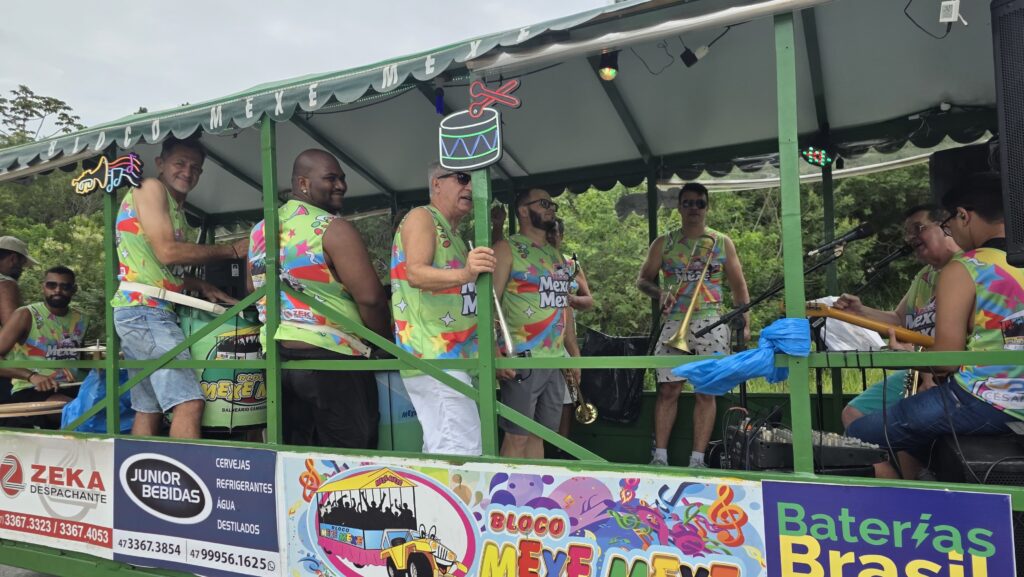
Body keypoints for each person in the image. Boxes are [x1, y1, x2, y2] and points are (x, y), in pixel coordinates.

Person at [847, 173, 1024, 480]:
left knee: (860, 432)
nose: (951, 230)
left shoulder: (966, 267)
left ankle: (914, 506)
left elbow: (946, 359)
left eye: (949, 224)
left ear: (964, 216)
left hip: (984, 401)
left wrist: (907, 356)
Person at [248, 149, 389, 448]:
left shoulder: (260, 231)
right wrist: (384, 345)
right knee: (350, 456)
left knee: (295, 458)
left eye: (342, 178)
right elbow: (371, 298)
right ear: (303, 183)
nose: (341, 185)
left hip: (278, 358)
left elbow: (253, 290)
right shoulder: (332, 229)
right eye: (331, 178)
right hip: (332, 360)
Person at [112, 135, 246, 439]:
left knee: (149, 407)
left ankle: (140, 480)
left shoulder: (176, 208)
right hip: (146, 311)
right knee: (189, 403)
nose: (188, 171)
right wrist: (233, 251)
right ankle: (189, 484)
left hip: (141, 309)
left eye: (196, 168)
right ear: (160, 163)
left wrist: (200, 284)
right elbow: (168, 252)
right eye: (180, 163)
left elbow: (156, 266)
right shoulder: (151, 188)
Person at [637, 182, 750, 468]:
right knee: (668, 389)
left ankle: (697, 460)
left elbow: (739, 287)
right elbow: (643, 280)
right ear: (679, 207)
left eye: (700, 203)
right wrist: (660, 293)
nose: (694, 209)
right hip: (675, 320)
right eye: (688, 203)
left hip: (712, 319)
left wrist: (744, 324)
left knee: (706, 391)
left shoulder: (722, 242)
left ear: (707, 207)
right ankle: (659, 457)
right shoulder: (664, 242)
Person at [391, 163, 501, 456]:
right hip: (434, 357)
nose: (470, 187)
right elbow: (415, 273)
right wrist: (466, 274)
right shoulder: (422, 217)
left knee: (446, 451)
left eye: (474, 181)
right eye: (463, 178)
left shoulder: (454, 233)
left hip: (452, 359)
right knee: (460, 455)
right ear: (436, 184)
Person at [835, 205, 961, 428]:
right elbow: (899, 321)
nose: (910, 237)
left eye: (918, 228)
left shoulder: (969, 268)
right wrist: (859, 311)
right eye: (907, 232)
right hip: (918, 369)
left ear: (946, 227)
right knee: (854, 414)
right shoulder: (924, 275)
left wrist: (930, 370)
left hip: (953, 373)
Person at [493, 188, 582, 459]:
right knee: (517, 437)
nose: (551, 208)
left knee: (540, 437)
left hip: (555, 360)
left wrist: (574, 354)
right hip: (523, 358)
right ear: (523, 210)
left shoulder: (557, 256)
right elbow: (486, 303)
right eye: (544, 203)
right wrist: (493, 352)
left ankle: (533, 499)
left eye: (552, 204)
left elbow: (563, 305)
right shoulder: (506, 249)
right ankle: (503, 496)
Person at [0, 267, 85, 427]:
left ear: (74, 289)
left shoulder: (81, 318)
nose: (57, 290)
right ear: (43, 287)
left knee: (108, 405)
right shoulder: (25, 314)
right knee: (75, 411)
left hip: (73, 387)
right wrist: (32, 376)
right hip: (31, 389)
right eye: (51, 285)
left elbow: (82, 356)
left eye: (65, 286)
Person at [548, 217, 594, 443]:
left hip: (567, 335)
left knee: (568, 394)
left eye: (555, 232)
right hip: (539, 337)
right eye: (548, 232)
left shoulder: (571, 264)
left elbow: (589, 301)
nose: (551, 236)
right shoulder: (532, 261)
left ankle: (561, 447)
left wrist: (569, 299)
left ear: (562, 236)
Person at [0, 236, 35, 404]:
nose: (22, 270)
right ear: (13, 259)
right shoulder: (6, 284)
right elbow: (12, 327)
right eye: (21, 264)